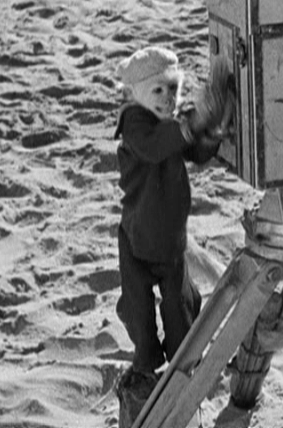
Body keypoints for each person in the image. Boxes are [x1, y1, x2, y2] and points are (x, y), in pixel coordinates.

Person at [113, 46, 231, 401]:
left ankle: (183, 358)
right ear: (135, 94)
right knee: (137, 307)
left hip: (171, 240)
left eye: (173, 89)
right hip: (136, 238)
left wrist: (213, 130)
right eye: (158, 90)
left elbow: (193, 151)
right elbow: (154, 147)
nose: (168, 98)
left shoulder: (171, 124)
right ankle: (145, 360)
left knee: (181, 304)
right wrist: (192, 124)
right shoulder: (135, 123)